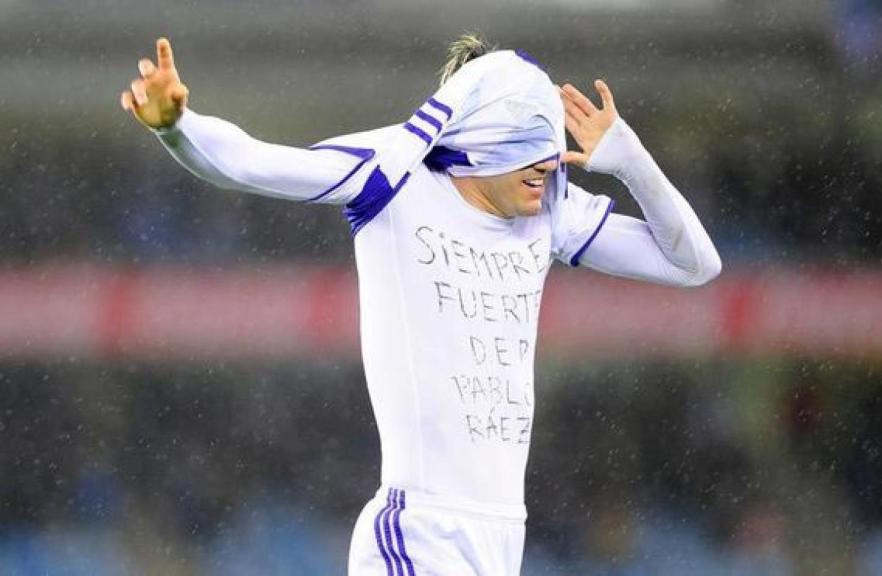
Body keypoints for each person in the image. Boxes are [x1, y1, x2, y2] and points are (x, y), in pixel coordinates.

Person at [120, 34, 721, 576]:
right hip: (420, 531)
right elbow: (252, 162)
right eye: (523, 132)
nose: (547, 158)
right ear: (479, 129)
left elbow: (694, 264)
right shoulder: (396, 179)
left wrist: (631, 161)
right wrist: (177, 126)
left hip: (503, 537)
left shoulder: (551, 209)